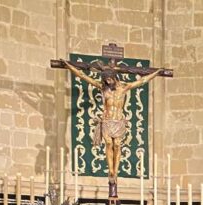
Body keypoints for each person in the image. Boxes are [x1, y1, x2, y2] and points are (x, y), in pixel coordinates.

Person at [56, 59, 170, 190]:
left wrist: (156, 72)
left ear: (114, 77)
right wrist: (68, 65)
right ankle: (111, 171)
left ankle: (116, 171)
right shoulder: (104, 89)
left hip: (119, 121)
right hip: (107, 121)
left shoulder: (124, 88)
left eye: (109, 79)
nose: (107, 82)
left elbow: (142, 81)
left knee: (117, 145)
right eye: (106, 80)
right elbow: (83, 76)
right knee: (109, 144)